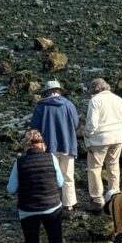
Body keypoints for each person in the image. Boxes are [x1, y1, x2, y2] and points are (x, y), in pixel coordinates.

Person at [7, 130, 73, 243]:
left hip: (28, 210)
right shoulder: (51, 158)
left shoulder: (19, 162)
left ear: (27, 146)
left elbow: (11, 189)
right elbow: (59, 182)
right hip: (51, 208)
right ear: (42, 144)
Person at [29, 80, 79, 212]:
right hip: (68, 145)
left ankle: (52, 203)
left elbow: (34, 127)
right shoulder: (69, 105)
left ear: (47, 92)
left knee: (50, 176)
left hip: (48, 146)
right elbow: (75, 124)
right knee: (68, 175)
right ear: (59, 91)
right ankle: (68, 204)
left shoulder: (41, 106)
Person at [83, 78, 122, 213]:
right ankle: (114, 194)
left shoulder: (95, 101)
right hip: (117, 138)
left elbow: (92, 123)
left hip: (100, 140)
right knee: (113, 165)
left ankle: (97, 199)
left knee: (94, 168)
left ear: (94, 89)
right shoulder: (119, 100)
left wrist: (87, 135)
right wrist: (120, 131)